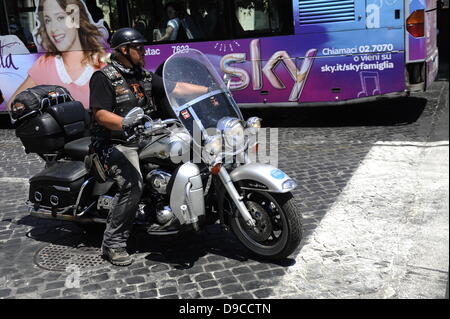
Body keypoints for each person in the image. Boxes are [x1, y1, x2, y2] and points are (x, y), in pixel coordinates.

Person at [89, 28, 208, 266]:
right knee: (133, 184)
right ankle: (113, 243)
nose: (144, 52)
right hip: (115, 143)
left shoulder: (142, 75)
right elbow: (100, 114)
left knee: (196, 146)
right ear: (124, 50)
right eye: (139, 48)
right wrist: (124, 122)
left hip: (149, 135)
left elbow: (175, 88)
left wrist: (210, 90)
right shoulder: (104, 78)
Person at [7, 0, 108, 110]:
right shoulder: (44, 64)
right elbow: (13, 105)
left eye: (60, 18)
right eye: (48, 20)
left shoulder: (103, 62)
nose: (53, 29)